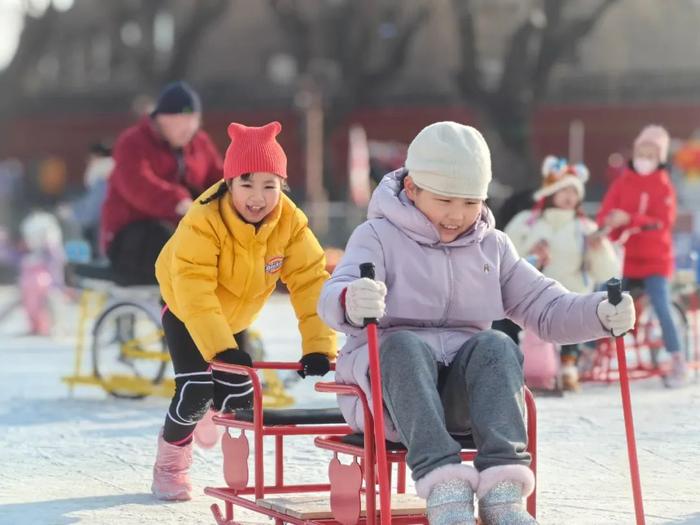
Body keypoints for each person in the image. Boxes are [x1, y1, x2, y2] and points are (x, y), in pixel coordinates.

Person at [317, 122, 635, 525]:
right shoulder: (377, 236)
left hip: (463, 399)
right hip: (390, 393)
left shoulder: (492, 245)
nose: (457, 215)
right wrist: (351, 300)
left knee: (497, 344)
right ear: (412, 189)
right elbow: (333, 293)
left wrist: (599, 313)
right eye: (445, 200)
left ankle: (502, 492)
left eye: (470, 202)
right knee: (403, 345)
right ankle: (444, 484)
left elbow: (546, 305)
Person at [151, 121, 337, 501]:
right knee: (195, 390)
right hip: (187, 311)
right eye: (247, 184)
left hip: (234, 318)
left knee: (239, 397)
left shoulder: (290, 223)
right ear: (229, 183)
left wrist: (319, 347)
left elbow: (310, 280)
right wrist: (219, 351)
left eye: (270, 185)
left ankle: (220, 432)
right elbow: (195, 290)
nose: (258, 196)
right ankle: (170, 465)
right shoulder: (203, 222)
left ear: (282, 187)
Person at [505, 156, 619, 390]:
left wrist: (597, 250)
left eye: (574, 191)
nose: (569, 196)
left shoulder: (585, 228)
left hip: (571, 291)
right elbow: (506, 257)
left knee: (572, 313)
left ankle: (569, 363)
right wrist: (532, 254)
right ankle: (522, 364)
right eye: (564, 189)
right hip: (531, 291)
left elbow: (607, 271)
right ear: (550, 192)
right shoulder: (526, 222)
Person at [100, 81, 223, 284]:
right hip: (132, 237)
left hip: (183, 229)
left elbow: (218, 176)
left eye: (193, 121)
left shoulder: (199, 143)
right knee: (172, 240)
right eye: (180, 121)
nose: (188, 129)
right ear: (161, 119)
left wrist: (238, 192)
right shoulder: (132, 143)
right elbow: (138, 185)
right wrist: (179, 202)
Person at [597, 125, 685, 388]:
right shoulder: (622, 182)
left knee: (661, 304)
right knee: (601, 297)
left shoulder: (664, 186)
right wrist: (608, 223)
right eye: (640, 153)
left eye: (651, 154)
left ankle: (677, 358)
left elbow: (663, 222)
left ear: (660, 158)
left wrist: (631, 219)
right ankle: (587, 352)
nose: (644, 159)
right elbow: (605, 213)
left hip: (656, 262)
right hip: (626, 260)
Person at [57, 142, 114, 257]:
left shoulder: (103, 178)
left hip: (109, 242)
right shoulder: (112, 175)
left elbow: (90, 213)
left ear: (96, 156)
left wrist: (70, 211)